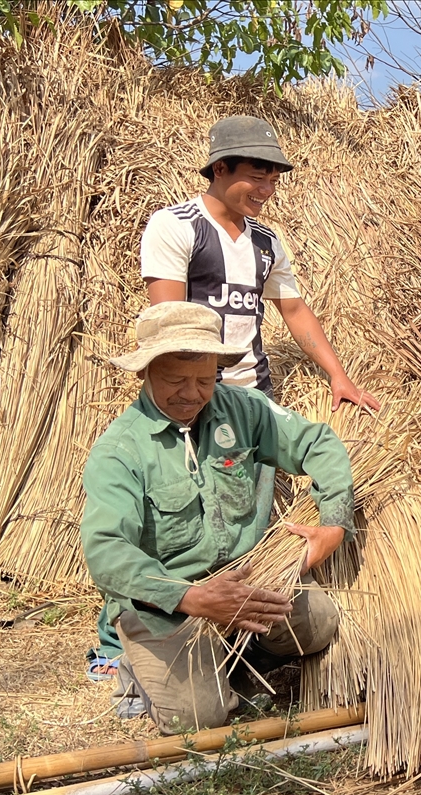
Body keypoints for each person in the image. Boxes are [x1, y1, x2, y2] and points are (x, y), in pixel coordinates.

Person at [87, 114, 378, 681]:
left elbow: (292, 309)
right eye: (256, 177)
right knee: (175, 524)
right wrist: (192, 378)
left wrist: (338, 377)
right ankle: (152, 630)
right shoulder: (177, 228)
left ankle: (243, 626)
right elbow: (168, 322)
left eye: (274, 180)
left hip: (243, 391)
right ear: (220, 170)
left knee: (242, 522)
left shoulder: (268, 243)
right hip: (195, 376)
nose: (267, 191)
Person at [81, 301, 353, 733]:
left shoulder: (243, 409)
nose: (191, 394)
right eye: (175, 380)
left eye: (205, 380)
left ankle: (235, 659)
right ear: (145, 372)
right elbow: (106, 551)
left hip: (248, 580)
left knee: (318, 623)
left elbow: (317, 443)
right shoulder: (119, 453)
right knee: (196, 719)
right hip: (168, 605)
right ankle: (143, 671)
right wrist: (193, 599)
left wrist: (334, 523)